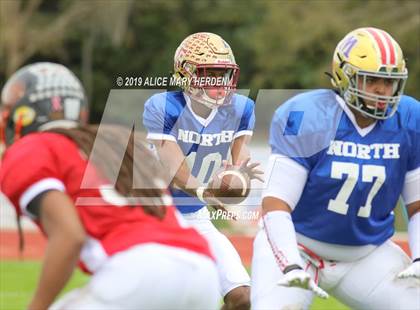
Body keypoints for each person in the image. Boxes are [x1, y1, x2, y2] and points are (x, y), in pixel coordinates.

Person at [0, 62, 219, 310]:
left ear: (24, 113)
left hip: (138, 270)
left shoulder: (31, 149)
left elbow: (70, 236)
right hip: (203, 271)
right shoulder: (117, 141)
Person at [251, 27, 420, 309]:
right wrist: (290, 264)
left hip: (366, 256)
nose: (383, 90)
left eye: (390, 82)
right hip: (300, 246)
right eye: (372, 80)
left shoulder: (409, 118)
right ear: (345, 76)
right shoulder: (309, 116)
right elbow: (276, 204)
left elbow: (417, 205)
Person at [143, 32, 263, 309]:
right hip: (153, 216)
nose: (219, 85)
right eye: (210, 75)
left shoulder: (241, 108)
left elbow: (240, 157)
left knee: (242, 297)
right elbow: (174, 167)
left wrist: (238, 177)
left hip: (194, 214)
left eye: (224, 75)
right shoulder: (163, 106)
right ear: (186, 75)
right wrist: (205, 190)